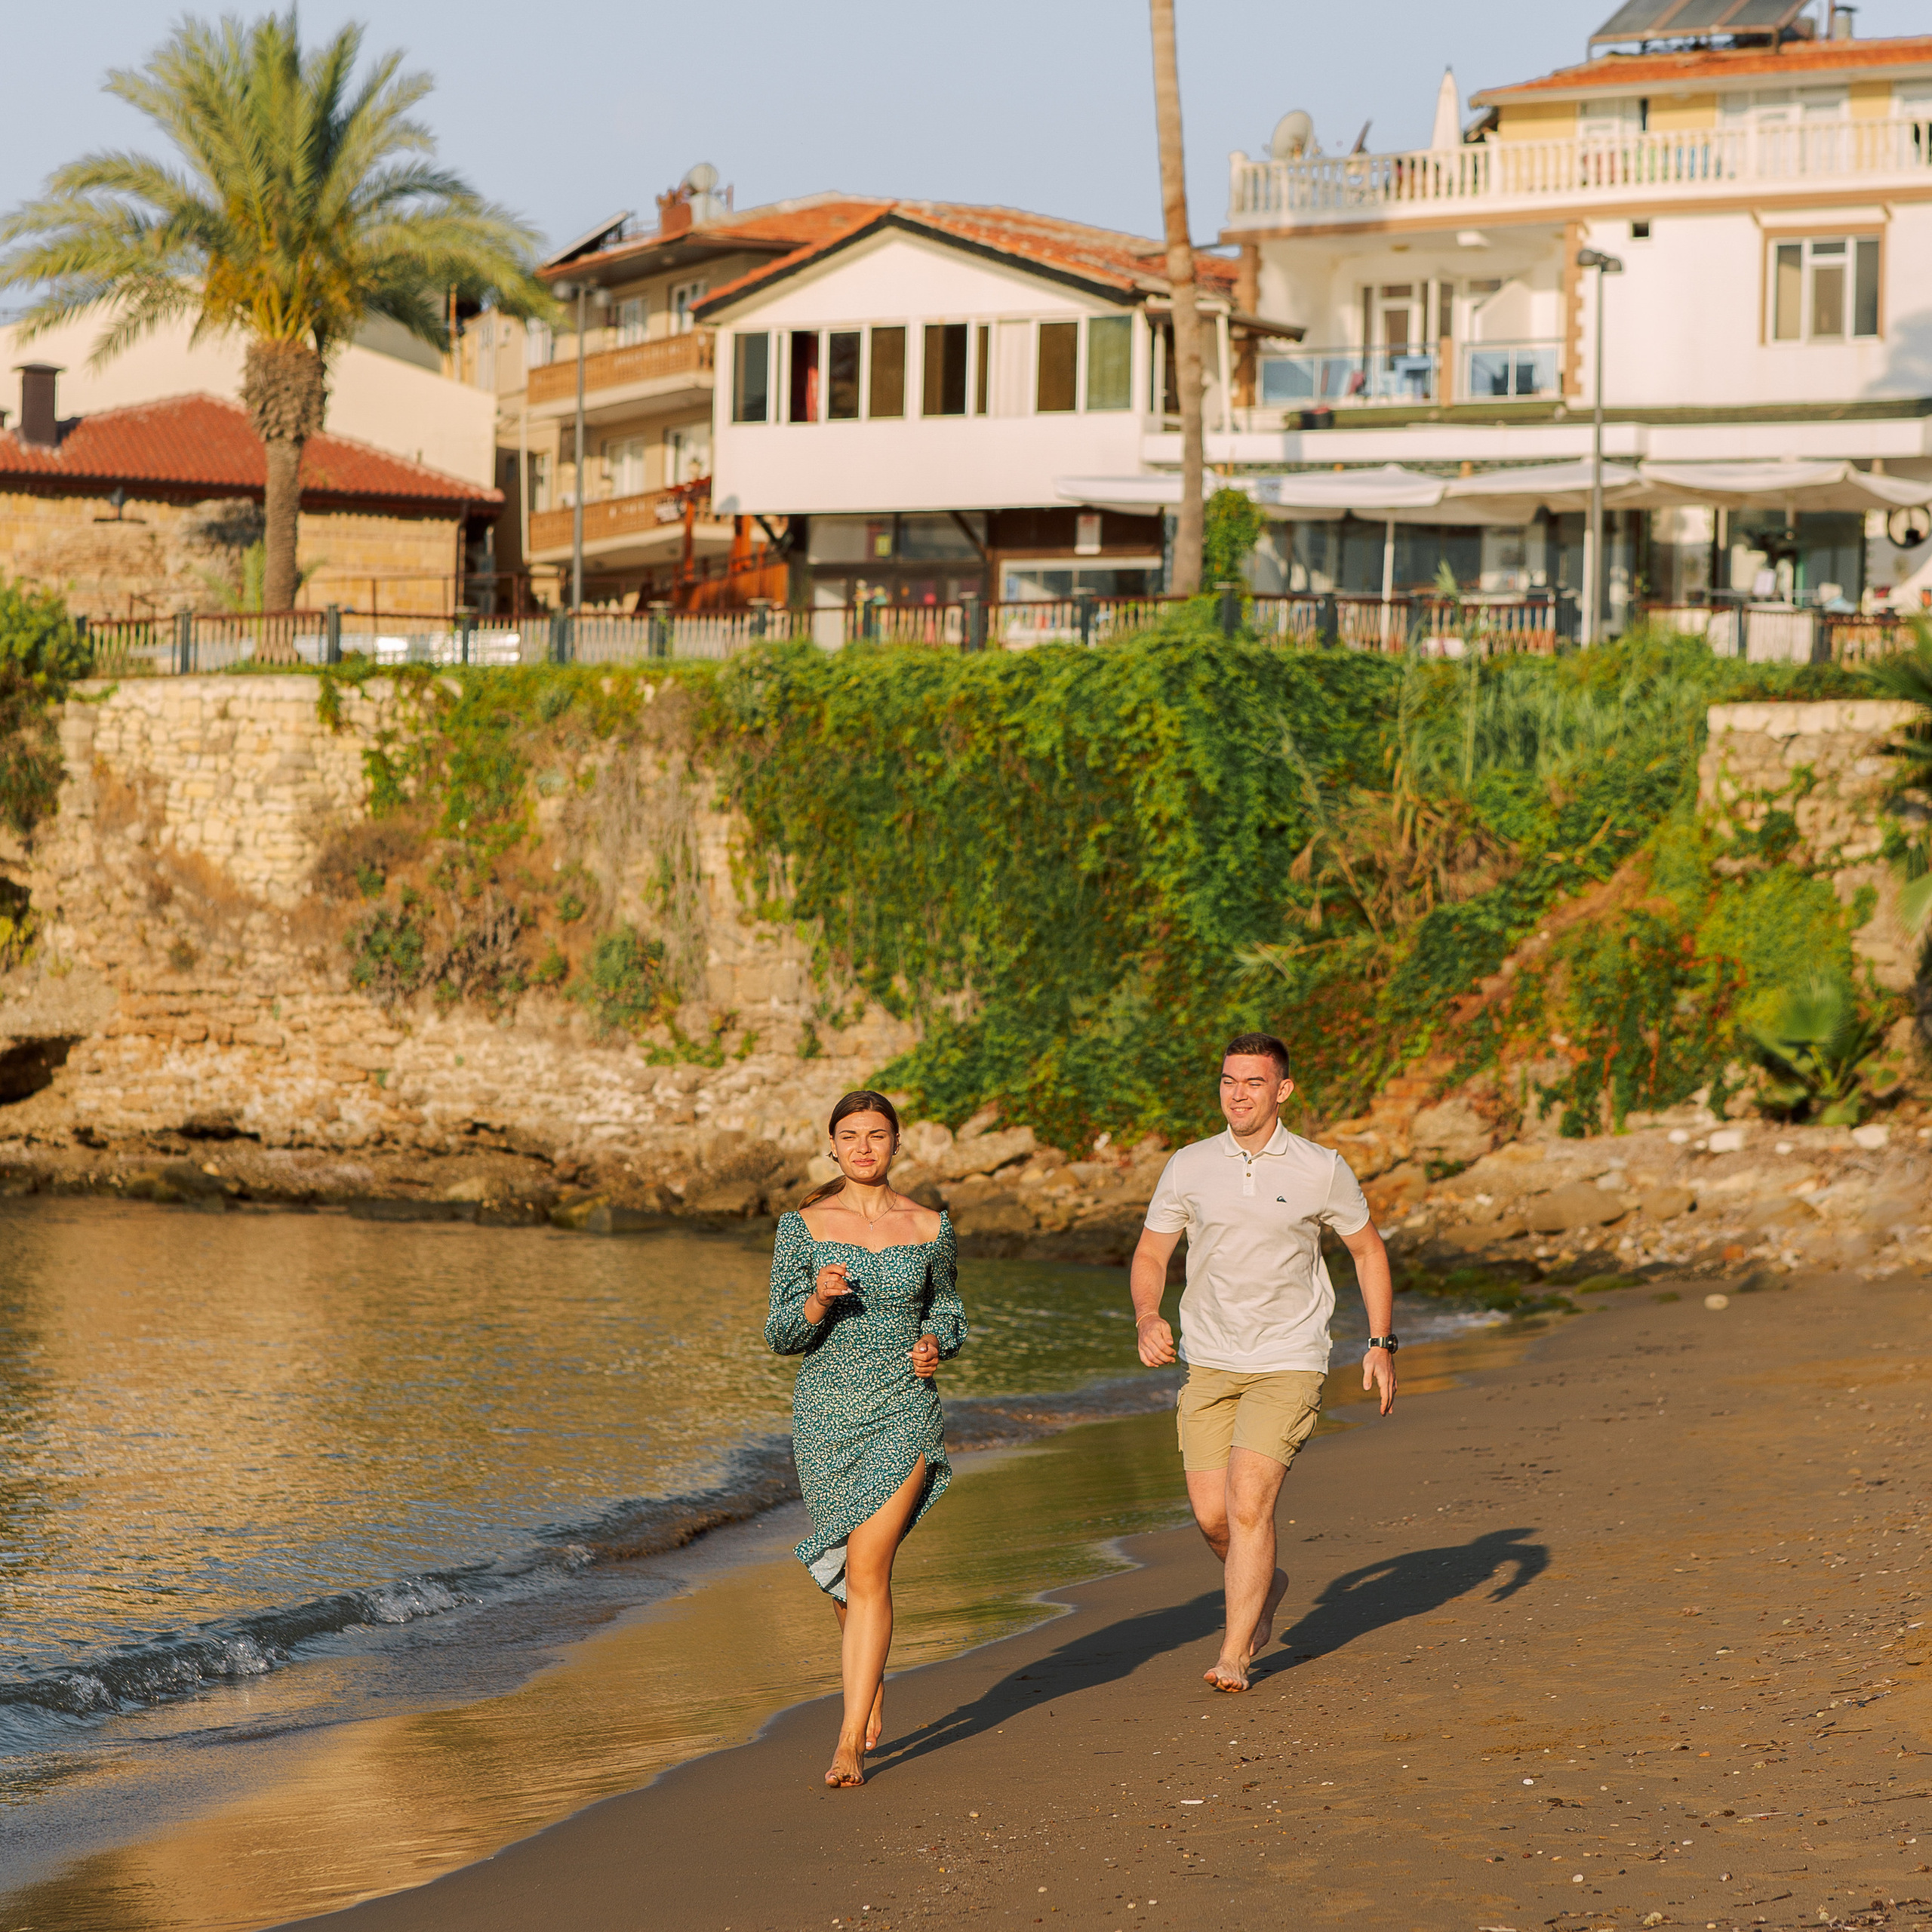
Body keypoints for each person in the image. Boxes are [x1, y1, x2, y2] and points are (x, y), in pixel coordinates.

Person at [1129, 1033, 1397, 1694]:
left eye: (1253, 1083)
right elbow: (1150, 1257)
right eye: (1228, 1081)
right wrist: (1147, 1315)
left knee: (1249, 1506)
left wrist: (1381, 1343)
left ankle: (1236, 1653)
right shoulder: (1188, 1166)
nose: (1238, 1094)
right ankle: (1267, 1582)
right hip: (1209, 1361)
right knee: (1213, 1517)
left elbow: (1367, 1251)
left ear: (1283, 1091)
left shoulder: (1321, 1167)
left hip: (1289, 1358)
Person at [765, 1089, 965, 1786]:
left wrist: (937, 1340)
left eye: (876, 1135)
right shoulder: (804, 1227)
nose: (863, 1147)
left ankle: (848, 1742)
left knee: (868, 1566)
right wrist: (816, 1297)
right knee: (846, 1576)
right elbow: (781, 1333)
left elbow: (949, 1304)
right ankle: (867, 1676)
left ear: (896, 1143)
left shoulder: (930, 1225)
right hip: (826, 1416)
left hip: (904, 1407)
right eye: (849, 1136)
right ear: (833, 1146)